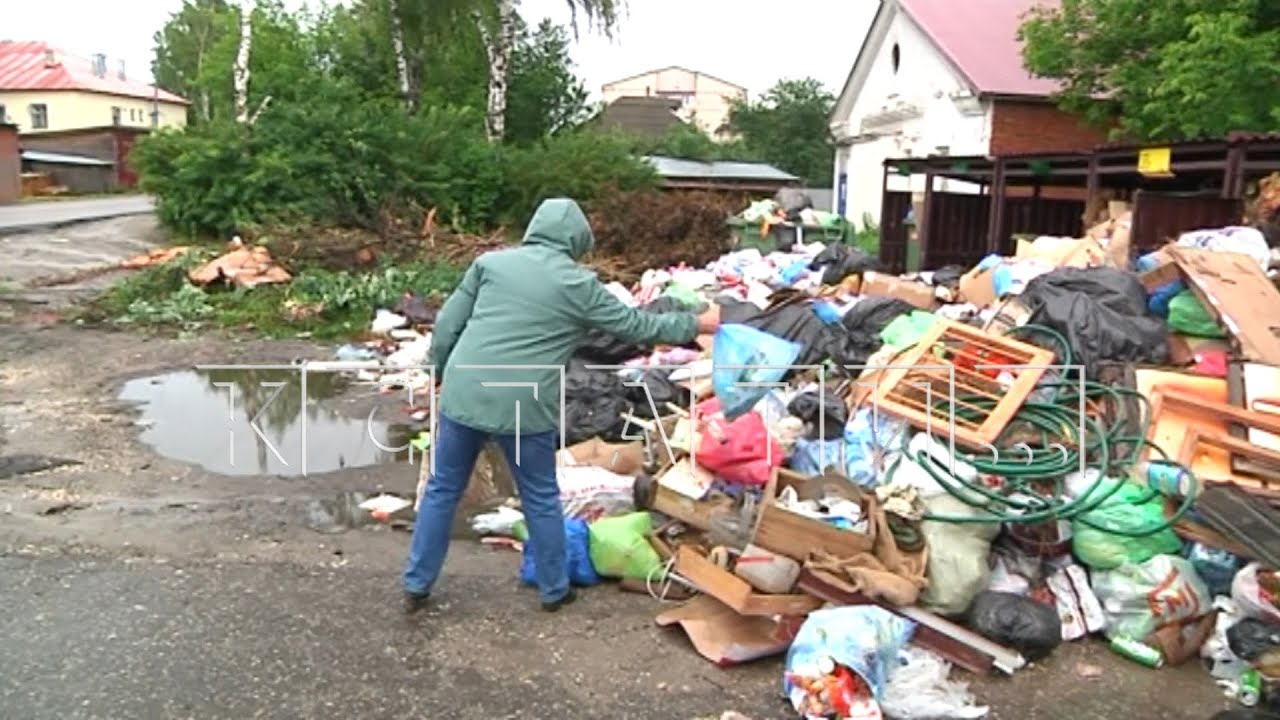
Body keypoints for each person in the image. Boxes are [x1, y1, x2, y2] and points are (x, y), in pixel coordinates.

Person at [402, 198, 720, 614]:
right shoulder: (578, 284)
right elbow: (636, 326)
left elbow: (447, 324)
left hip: (465, 387)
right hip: (523, 400)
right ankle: (554, 589)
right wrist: (693, 323)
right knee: (538, 493)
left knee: (443, 488)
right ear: (575, 240)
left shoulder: (491, 265)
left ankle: (416, 584)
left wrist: (439, 369)